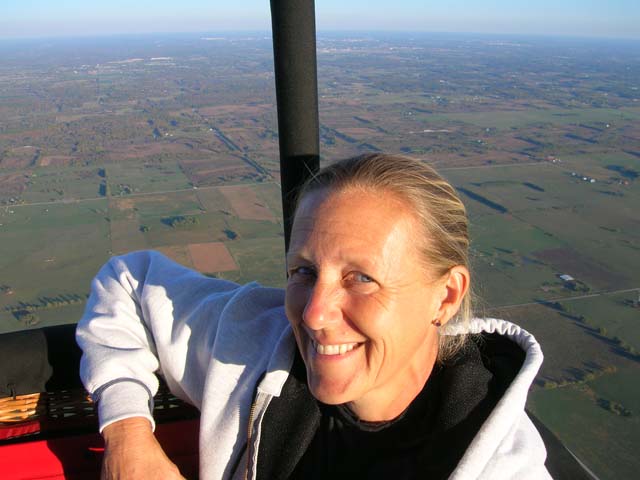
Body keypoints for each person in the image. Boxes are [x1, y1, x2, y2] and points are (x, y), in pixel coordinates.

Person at [76, 154, 551, 479]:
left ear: (445, 297)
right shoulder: (255, 345)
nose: (314, 313)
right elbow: (129, 282)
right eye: (303, 270)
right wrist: (128, 437)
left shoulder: (500, 464)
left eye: (361, 278)